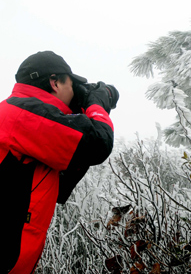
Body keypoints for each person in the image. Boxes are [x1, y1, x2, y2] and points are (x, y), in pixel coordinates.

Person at [0, 51, 119, 273]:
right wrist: (97, 105)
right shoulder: (23, 115)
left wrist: (79, 110)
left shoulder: (18, 113)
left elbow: (67, 172)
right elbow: (97, 144)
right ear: (55, 82)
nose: (74, 92)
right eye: (72, 85)